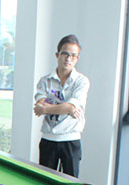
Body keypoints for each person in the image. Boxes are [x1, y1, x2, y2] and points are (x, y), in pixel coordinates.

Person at [33, 34, 90, 177]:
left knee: (70, 183)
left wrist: (46, 108)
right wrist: (64, 108)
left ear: (77, 58)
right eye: (65, 54)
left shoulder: (81, 81)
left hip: (71, 140)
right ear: (57, 55)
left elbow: (70, 107)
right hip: (48, 139)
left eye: (73, 55)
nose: (68, 58)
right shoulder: (45, 81)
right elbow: (40, 104)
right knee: (45, 182)